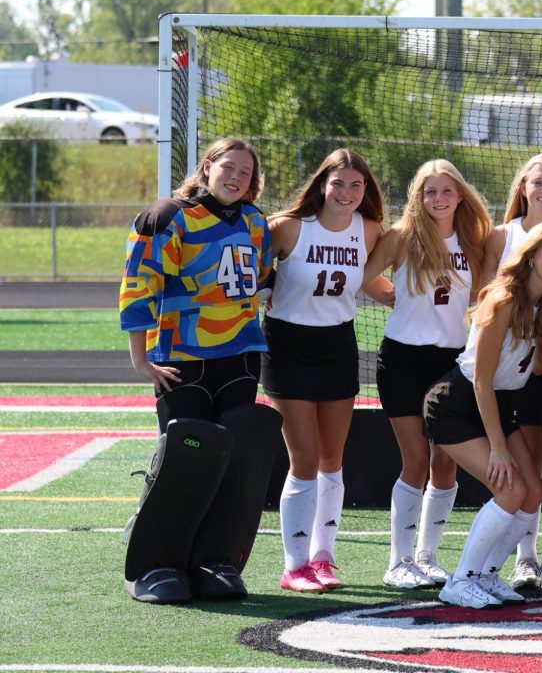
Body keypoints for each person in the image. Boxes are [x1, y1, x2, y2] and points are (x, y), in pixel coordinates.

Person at [119, 137, 280, 604]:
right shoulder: (168, 216)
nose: (236, 178)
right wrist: (139, 355)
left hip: (241, 358)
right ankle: (157, 562)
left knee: (230, 463)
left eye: (246, 173)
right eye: (228, 167)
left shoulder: (254, 222)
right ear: (207, 167)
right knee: (184, 458)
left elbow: (263, 279)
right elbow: (138, 282)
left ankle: (213, 559)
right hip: (181, 357)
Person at [424, 221, 542, 608]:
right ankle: (460, 580)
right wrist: (497, 447)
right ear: (529, 255)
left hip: (501, 403)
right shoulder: (504, 299)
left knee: (530, 496)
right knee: (510, 489)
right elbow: (480, 380)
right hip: (457, 405)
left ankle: (487, 574)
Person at [364, 159, 492, 590]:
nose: (438, 199)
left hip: (452, 361)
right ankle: (398, 562)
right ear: (418, 196)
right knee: (415, 459)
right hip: (401, 359)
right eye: (429, 191)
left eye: (446, 191)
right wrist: (394, 301)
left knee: (445, 462)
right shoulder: (400, 237)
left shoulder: (475, 241)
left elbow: (479, 294)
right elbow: (366, 278)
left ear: (460, 195)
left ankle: (427, 557)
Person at [261, 149, 385, 593]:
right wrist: (262, 288)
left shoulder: (369, 231)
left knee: (333, 458)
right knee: (306, 459)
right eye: (339, 184)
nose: (347, 193)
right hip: (288, 347)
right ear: (321, 185)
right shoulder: (288, 227)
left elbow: (367, 278)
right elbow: (252, 271)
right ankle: (293, 566)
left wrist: (403, 298)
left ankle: (322, 557)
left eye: (356, 186)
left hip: (338, 345)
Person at [483, 153, 542, 592]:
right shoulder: (500, 235)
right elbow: (487, 297)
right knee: (528, 470)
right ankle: (524, 560)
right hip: (514, 373)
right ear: (522, 185)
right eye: (537, 181)